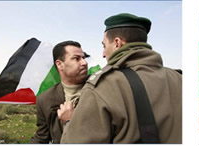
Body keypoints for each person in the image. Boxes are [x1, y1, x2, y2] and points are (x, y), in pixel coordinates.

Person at [59, 13, 182, 143]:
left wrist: (69, 122)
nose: (103, 54)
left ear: (117, 43)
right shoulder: (178, 79)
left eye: (104, 46)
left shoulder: (103, 86)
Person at [30, 41, 88, 143]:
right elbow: (42, 137)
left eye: (83, 58)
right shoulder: (45, 99)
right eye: (76, 58)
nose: (84, 62)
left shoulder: (99, 88)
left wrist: (71, 121)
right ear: (60, 64)